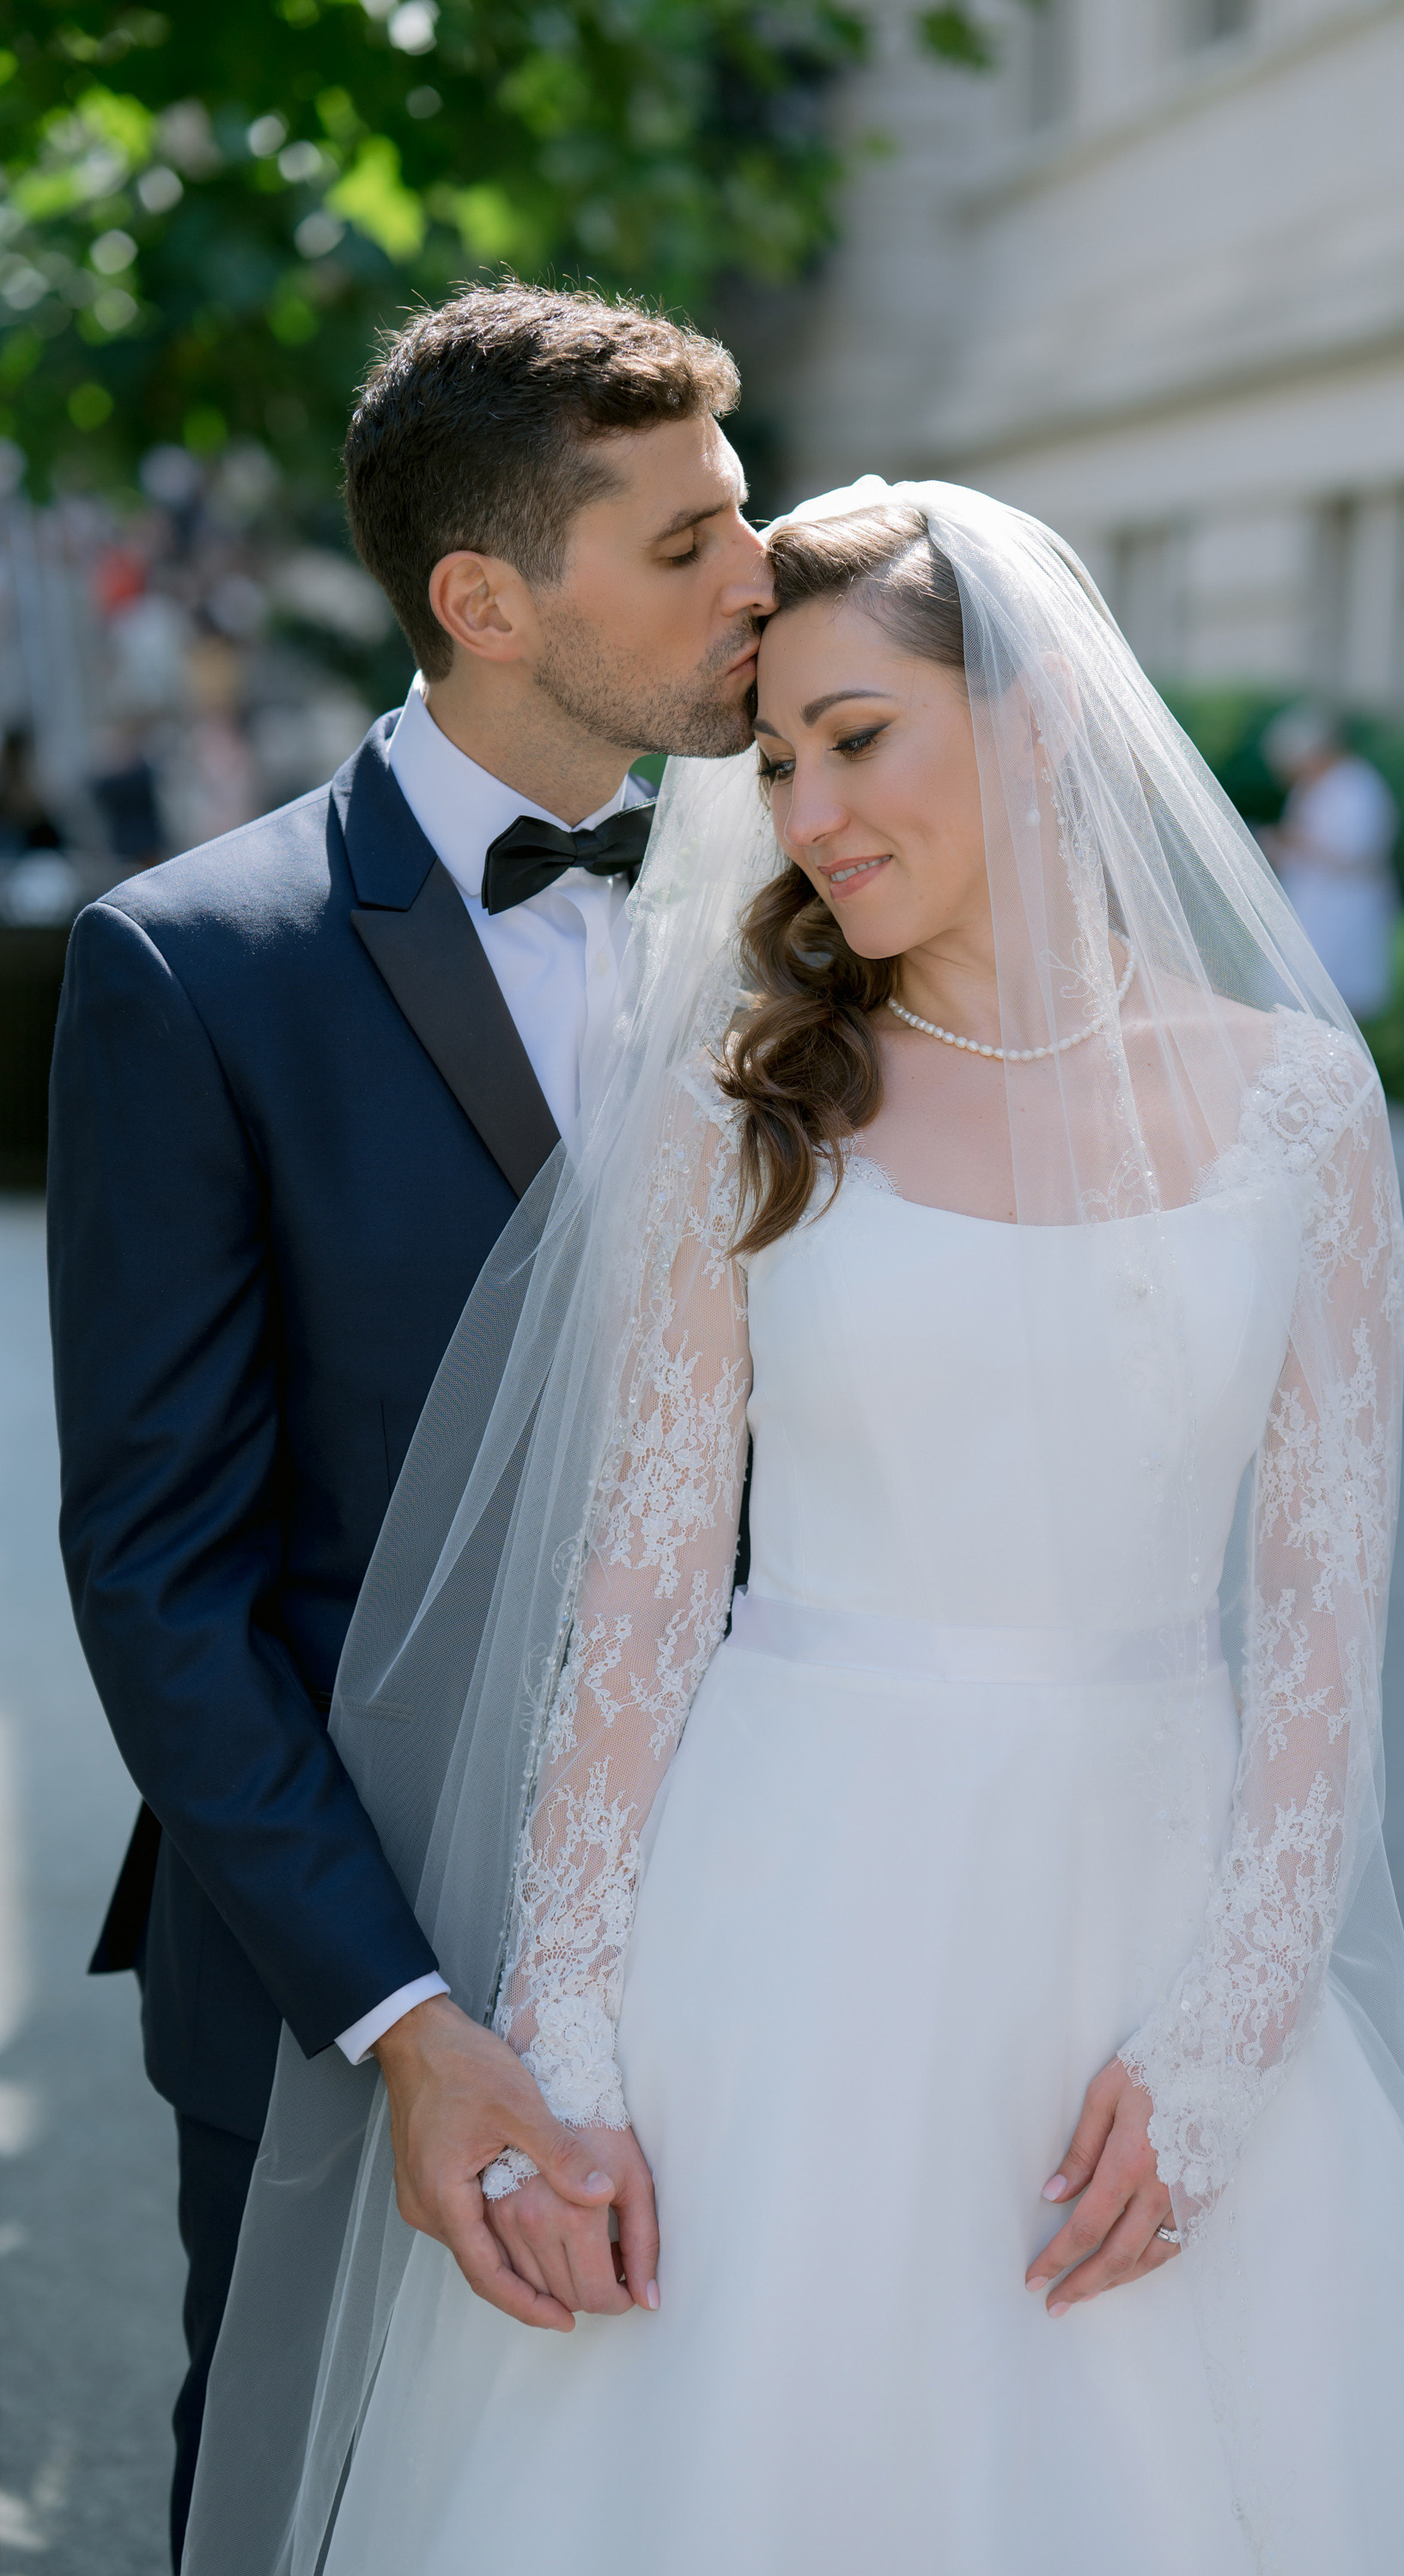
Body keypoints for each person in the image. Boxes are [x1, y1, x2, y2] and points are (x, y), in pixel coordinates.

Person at [185, 482, 1404, 2573]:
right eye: (780, 755)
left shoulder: (1296, 1103)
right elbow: (633, 1620)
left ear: (1038, 725)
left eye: (858, 735)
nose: (809, 806)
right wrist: (569, 2046)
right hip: (784, 1925)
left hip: (1154, 1920)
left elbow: (1319, 1626)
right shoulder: (744, 1100)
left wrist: (1222, 2038)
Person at [46, 283, 773, 2569]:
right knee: (311, 2495)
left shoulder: (807, 927)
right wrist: (399, 2009)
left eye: (739, 519)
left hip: (768, 1895)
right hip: (341, 1945)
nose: (755, 577)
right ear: (485, 597)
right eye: (681, 545)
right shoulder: (195, 965)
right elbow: (159, 1562)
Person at [1261, 702, 1400, 1018]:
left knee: (1338, 994)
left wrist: (1295, 842)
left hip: (1345, 903)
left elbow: (1353, 852)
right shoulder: (1309, 789)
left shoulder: (1358, 786)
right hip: (1311, 900)